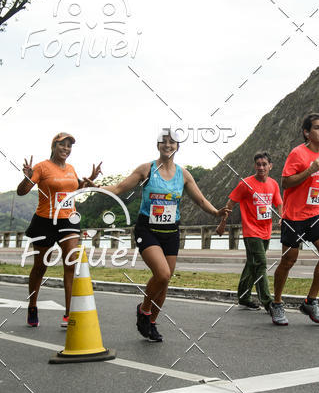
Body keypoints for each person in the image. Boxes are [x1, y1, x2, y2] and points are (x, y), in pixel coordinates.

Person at [103, 130, 230, 342]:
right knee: (162, 274)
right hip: (147, 230)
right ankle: (143, 310)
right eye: (164, 142)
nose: (168, 145)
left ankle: (151, 323)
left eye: (172, 142)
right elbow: (118, 188)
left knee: (165, 281)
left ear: (178, 147)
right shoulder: (146, 169)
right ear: (158, 145)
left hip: (171, 232)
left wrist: (216, 212)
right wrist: (94, 188)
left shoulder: (184, 174)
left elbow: (200, 200)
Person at [17, 133, 102, 329]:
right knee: (40, 267)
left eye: (69, 146)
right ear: (53, 146)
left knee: (71, 265)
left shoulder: (71, 169)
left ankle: (69, 314)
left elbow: (73, 190)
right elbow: (22, 191)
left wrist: (89, 181)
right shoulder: (41, 167)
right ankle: (32, 305)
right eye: (62, 145)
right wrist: (27, 177)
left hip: (68, 221)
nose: (66, 149)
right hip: (44, 221)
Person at [271, 113, 319, 326]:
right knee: (288, 261)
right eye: (317, 128)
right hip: (294, 216)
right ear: (307, 133)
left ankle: (311, 301)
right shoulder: (297, 153)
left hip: (315, 213)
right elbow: (286, 183)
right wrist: (310, 171)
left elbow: (315, 184)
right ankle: (277, 303)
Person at [215, 151, 282, 311]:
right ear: (255, 166)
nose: (261, 167)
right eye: (258, 164)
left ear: (270, 166)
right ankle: (268, 302)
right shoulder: (246, 183)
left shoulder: (273, 184)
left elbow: (278, 202)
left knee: (252, 264)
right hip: (251, 232)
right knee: (261, 264)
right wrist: (222, 223)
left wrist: (281, 216)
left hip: (266, 231)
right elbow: (230, 203)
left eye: (264, 164)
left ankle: (243, 297)